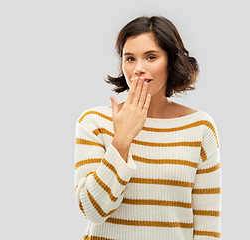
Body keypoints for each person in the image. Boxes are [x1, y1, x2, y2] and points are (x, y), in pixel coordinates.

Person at [74, 15, 222, 240]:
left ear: (171, 61)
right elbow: (93, 211)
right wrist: (122, 138)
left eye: (151, 57)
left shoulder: (200, 128)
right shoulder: (94, 122)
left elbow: (207, 228)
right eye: (130, 58)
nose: (138, 69)